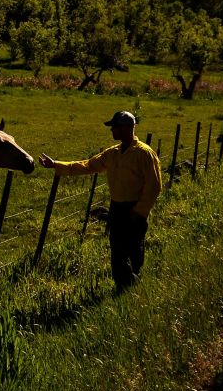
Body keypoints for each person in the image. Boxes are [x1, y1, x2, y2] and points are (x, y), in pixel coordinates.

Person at [38, 110, 162, 292]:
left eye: (115, 127)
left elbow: (154, 186)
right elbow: (88, 165)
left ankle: (133, 285)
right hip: (117, 208)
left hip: (135, 208)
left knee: (135, 249)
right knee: (118, 252)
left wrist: (139, 212)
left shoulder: (144, 154)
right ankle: (126, 286)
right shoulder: (112, 153)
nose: (112, 131)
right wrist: (56, 165)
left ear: (127, 128)